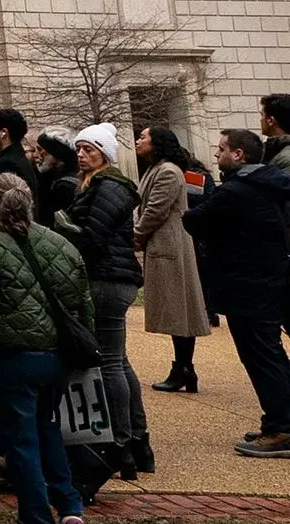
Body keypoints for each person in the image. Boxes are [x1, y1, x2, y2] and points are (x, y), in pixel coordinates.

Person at [0, 172, 93, 524]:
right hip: (58, 357)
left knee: (22, 443)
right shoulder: (60, 244)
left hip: (13, 356)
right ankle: (69, 505)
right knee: (47, 428)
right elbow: (83, 305)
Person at [186, 130, 290, 456]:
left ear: (239, 155)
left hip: (248, 286)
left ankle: (281, 428)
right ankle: (279, 420)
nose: (216, 156)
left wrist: (199, 196)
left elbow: (194, 220)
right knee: (270, 354)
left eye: (222, 150)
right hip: (266, 280)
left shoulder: (237, 191)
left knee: (262, 357)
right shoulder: (268, 184)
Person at [56, 123, 151, 476]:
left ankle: (121, 444)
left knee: (110, 362)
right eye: (79, 148)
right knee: (119, 361)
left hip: (107, 279)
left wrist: (63, 226)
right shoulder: (98, 185)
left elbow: (93, 237)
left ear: (105, 154)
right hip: (113, 278)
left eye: (89, 149)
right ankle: (136, 441)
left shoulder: (108, 186)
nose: (81, 155)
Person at [135, 126, 211, 395]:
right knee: (178, 310)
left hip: (170, 245)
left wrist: (137, 234)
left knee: (180, 309)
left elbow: (156, 209)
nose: (138, 141)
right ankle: (183, 368)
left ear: (157, 143)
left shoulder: (167, 171)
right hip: (163, 243)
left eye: (143, 137)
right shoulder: (158, 169)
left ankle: (183, 369)